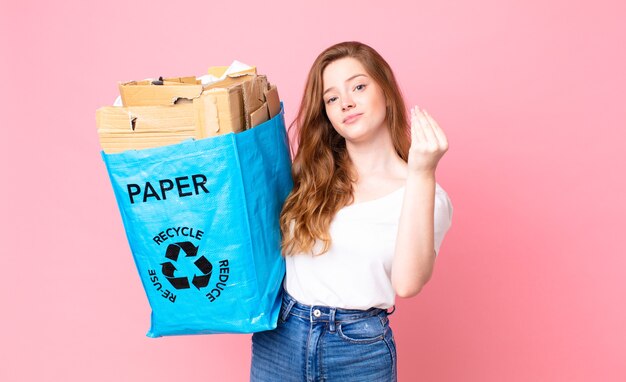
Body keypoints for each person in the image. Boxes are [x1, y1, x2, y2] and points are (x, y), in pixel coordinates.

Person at [250, 41, 453, 382]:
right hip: (282, 335)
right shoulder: (307, 176)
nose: (346, 102)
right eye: (331, 98)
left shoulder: (424, 193)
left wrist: (422, 172)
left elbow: (407, 284)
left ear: (386, 92)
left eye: (358, 86)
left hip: (357, 348)